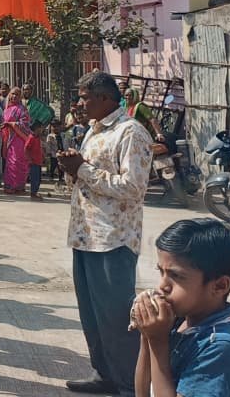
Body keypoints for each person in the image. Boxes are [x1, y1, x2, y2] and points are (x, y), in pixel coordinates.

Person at [58, 71, 153, 396]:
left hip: (113, 239)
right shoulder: (93, 131)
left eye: (86, 98)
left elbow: (133, 187)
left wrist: (82, 169)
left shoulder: (131, 132)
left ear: (105, 98)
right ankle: (104, 374)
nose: (81, 104)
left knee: (116, 319)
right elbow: (86, 180)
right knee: (92, 316)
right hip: (85, 236)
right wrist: (73, 169)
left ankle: (129, 385)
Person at [134, 219, 230, 397]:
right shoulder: (178, 320)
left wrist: (158, 342)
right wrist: (147, 337)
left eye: (175, 276)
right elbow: (142, 393)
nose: (162, 286)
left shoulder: (219, 348)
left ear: (220, 286)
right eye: (161, 272)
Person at [1, 87, 33, 194]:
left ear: (20, 97)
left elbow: (26, 124)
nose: (14, 96)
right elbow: (3, 124)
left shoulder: (22, 109)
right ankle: (10, 185)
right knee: (10, 163)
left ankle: (19, 186)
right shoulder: (6, 109)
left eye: (17, 95)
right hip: (8, 139)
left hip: (19, 139)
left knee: (18, 162)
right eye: (13, 94)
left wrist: (12, 124)